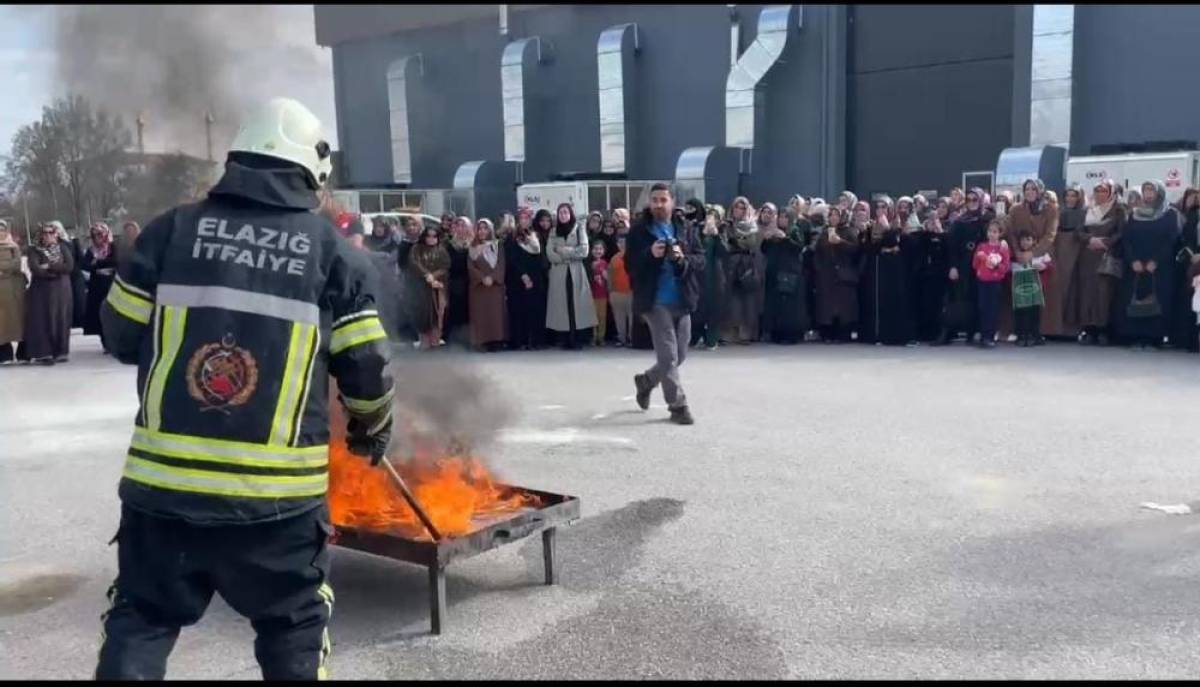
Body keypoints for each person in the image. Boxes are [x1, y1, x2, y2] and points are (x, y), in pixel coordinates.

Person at [94, 97, 393, 680]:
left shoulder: (169, 231)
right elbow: (369, 370)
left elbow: (120, 335)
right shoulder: (332, 252)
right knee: (293, 630)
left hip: (164, 495)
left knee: (143, 620)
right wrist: (371, 427)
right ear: (310, 172)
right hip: (275, 506)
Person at [628, 183, 703, 426]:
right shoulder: (639, 232)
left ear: (672, 202)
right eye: (654, 200)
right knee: (669, 355)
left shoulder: (686, 228)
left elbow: (700, 260)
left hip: (682, 300)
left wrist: (683, 259)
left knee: (679, 355)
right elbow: (630, 266)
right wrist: (650, 254)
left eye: (663, 199)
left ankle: (647, 381)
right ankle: (678, 406)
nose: (659, 204)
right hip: (654, 301)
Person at [1114, 180, 1180, 350]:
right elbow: (1127, 239)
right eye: (1146, 190)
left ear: (1159, 193)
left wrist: (1156, 261)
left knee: (1157, 301)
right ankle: (1136, 337)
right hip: (1136, 266)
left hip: (1159, 267)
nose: (1148, 194)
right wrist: (1132, 260)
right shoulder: (1134, 214)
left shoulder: (1169, 214)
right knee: (1135, 299)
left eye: (1152, 190)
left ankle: (1154, 339)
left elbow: (1171, 240)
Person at [936, 187, 992, 346]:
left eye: (975, 199)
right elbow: (952, 245)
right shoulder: (960, 221)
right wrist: (953, 266)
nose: (972, 203)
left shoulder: (987, 219)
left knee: (979, 300)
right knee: (957, 299)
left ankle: (976, 333)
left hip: (982, 264)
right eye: (969, 200)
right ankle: (949, 332)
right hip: (962, 264)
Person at [858, 198, 915, 346]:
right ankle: (877, 335)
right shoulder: (872, 226)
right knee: (878, 301)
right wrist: (865, 235)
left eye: (884, 207)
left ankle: (895, 336)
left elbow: (903, 245)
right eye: (878, 208)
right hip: (878, 269)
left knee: (895, 300)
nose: (881, 210)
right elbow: (869, 249)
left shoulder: (898, 224)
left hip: (896, 270)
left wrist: (888, 229)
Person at [1076, 179, 1125, 346]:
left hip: (1106, 256)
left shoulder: (1118, 210)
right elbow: (1079, 230)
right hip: (1088, 256)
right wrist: (1090, 239)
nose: (1100, 194)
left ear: (1110, 193)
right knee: (1088, 294)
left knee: (1104, 295)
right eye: (1097, 191)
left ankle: (1104, 330)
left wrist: (1106, 242)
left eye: (1104, 191)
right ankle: (1089, 330)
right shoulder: (1088, 210)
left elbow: (1121, 232)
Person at [545, 203, 597, 350]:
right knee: (563, 305)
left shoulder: (579, 229)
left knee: (577, 306)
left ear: (570, 214)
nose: (563, 215)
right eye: (561, 213)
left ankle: (577, 338)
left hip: (576, 273)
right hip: (559, 274)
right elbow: (550, 253)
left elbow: (584, 251)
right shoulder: (554, 231)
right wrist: (568, 256)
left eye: (566, 212)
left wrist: (564, 251)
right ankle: (565, 338)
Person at [23, 222, 75, 364]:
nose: (47, 236)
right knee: (43, 320)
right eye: (44, 233)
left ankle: (61, 351)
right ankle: (44, 352)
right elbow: (35, 268)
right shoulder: (34, 250)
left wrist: (50, 266)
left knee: (61, 319)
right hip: (41, 290)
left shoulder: (63, 247)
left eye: (50, 233)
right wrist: (54, 271)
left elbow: (69, 266)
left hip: (61, 290)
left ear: (56, 234)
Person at [760, 206, 810, 344]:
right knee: (776, 304)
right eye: (780, 217)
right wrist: (766, 239)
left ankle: (791, 334)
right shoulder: (774, 231)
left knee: (790, 306)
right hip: (774, 272)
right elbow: (764, 250)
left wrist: (786, 238)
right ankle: (776, 332)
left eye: (785, 217)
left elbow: (799, 247)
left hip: (790, 272)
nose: (782, 220)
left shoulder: (795, 230)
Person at [812, 205, 860, 343]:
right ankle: (828, 333)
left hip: (844, 274)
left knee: (844, 307)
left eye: (836, 215)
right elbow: (817, 253)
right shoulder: (824, 233)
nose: (833, 218)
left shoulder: (849, 231)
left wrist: (841, 242)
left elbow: (855, 250)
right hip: (826, 275)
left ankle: (843, 333)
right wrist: (819, 269)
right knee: (827, 306)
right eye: (831, 215)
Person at [1045, 184, 1087, 340]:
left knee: (1073, 290)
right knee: (1058, 288)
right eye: (1068, 195)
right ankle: (1055, 327)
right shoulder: (1058, 212)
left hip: (1076, 248)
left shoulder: (1084, 213)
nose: (1070, 199)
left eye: (1074, 195)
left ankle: (1072, 330)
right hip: (1060, 248)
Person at [504, 207, 547, 351]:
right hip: (516, 279)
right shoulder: (512, 237)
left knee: (534, 310)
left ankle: (534, 340)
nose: (524, 221)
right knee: (517, 310)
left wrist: (533, 276)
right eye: (521, 218)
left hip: (535, 278)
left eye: (527, 218)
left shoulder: (536, 236)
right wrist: (523, 275)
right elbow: (511, 258)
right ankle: (519, 340)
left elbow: (540, 257)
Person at [723, 196, 762, 345]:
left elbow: (751, 244)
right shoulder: (728, 224)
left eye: (742, 208)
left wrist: (738, 241)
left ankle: (746, 333)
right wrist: (737, 242)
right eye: (736, 208)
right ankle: (730, 333)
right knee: (732, 300)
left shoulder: (752, 225)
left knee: (747, 301)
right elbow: (727, 243)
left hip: (747, 265)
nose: (739, 211)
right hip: (731, 263)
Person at [909, 207, 950, 342]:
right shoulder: (921, 236)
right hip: (922, 276)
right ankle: (923, 333)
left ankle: (936, 333)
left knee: (937, 305)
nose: (932, 223)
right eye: (929, 220)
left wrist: (939, 233)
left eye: (935, 219)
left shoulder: (943, 237)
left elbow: (947, 251)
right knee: (923, 304)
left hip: (938, 276)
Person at [466, 218, 507, 351]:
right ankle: (481, 342)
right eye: (480, 228)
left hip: (495, 287)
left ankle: (497, 341)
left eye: (485, 228)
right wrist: (482, 278)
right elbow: (470, 266)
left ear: (490, 230)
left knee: (496, 315)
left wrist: (493, 277)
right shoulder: (472, 247)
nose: (482, 231)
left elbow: (501, 263)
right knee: (481, 315)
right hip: (479, 288)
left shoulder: (498, 244)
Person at [409, 225, 451, 350]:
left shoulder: (441, 250)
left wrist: (434, 277)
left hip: (438, 287)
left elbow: (445, 266)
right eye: (429, 236)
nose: (431, 239)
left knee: (438, 313)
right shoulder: (417, 248)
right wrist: (426, 275)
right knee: (422, 314)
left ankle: (436, 339)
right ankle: (424, 340)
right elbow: (413, 262)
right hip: (420, 287)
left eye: (434, 236)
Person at [81, 222, 120, 353]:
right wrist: (99, 264)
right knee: (100, 315)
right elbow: (86, 265)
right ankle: (106, 343)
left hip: (112, 285)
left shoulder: (114, 247)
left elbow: (116, 261)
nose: (98, 238)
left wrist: (97, 263)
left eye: (100, 234)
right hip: (97, 287)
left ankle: (116, 342)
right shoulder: (91, 250)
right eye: (95, 235)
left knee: (114, 314)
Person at [1169, 187, 1200, 351]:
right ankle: (1185, 339)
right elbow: (1184, 238)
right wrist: (1193, 255)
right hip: (1190, 264)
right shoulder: (1191, 215)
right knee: (1188, 301)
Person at [973, 218, 1011, 348]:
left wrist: (995, 265)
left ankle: (990, 336)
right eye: (990, 231)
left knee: (993, 309)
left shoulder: (1003, 248)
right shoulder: (982, 246)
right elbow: (975, 264)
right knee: (983, 308)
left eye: (995, 232)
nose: (992, 234)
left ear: (1000, 233)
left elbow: (1005, 267)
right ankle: (983, 336)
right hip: (982, 281)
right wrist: (981, 260)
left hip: (995, 282)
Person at [1011, 230, 1053, 347]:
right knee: (1020, 312)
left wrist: (1043, 267)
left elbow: (1050, 266)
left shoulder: (1041, 254)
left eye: (1028, 239)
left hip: (1036, 290)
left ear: (1034, 241)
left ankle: (1035, 334)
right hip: (1020, 291)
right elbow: (1009, 269)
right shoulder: (1016, 256)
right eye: (1023, 240)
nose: (1025, 242)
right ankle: (1021, 335)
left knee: (1035, 312)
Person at [443, 216, 473, 346]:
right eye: (458, 225)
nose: (461, 228)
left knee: (469, 309)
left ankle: (467, 338)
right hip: (454, 281)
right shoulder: (449, 244)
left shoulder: (473, 243)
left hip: (470, 281)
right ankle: (453, 339)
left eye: (463, 225)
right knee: (454, 309)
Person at [0, 221, 26, 365]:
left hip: (14, 289)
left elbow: (16, 264)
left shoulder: (13, 247)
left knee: (18, 321)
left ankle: (23, 353)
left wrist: (4, 270)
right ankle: (5, 355)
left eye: (1, 229)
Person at [608, 234, 634, 347]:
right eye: (620, 243)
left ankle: (632, 338)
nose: (622, 245)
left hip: (631, 292)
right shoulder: (614, 258)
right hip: (616, 293)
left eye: (624, 242)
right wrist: (610, 291)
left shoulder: (635, 256)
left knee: (632, 317)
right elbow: (610, 276)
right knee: (619, 318)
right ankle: (621, 338)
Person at [588, 240, 609, 346]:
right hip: (591, 294)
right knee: (592, 317)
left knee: (602, 317)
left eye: (600, 249)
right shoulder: (589, 263)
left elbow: (608, 279)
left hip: (602, 295)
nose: (598, 251)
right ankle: (593, 337)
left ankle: (601, 338)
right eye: (595, 249)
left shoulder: (605, 263)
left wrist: (604, 274)